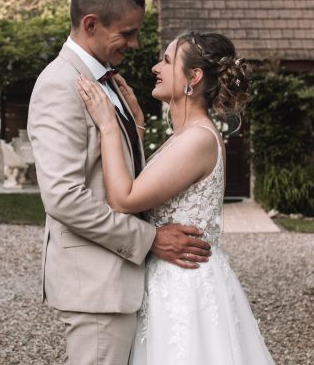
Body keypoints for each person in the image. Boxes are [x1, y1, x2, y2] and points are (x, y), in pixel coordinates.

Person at [27, 0, 212, 365]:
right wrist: (149, 240)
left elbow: (117, 172)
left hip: (119, 283)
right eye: (126, 34)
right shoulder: (60, 86)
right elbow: (63, 198)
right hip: (96, 286)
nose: (133, 44)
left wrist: (137, 130)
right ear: (91, 24)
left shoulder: (107, 81)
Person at [77, 31, 276, 364]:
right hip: (173, 276)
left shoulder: (197, 138)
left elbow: (124, 199)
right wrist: (137, 126)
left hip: (185, 286)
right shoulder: (186, 135)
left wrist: (109, 125)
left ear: (193, 77)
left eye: (167, 61)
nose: (156, 67)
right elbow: (150, 185)